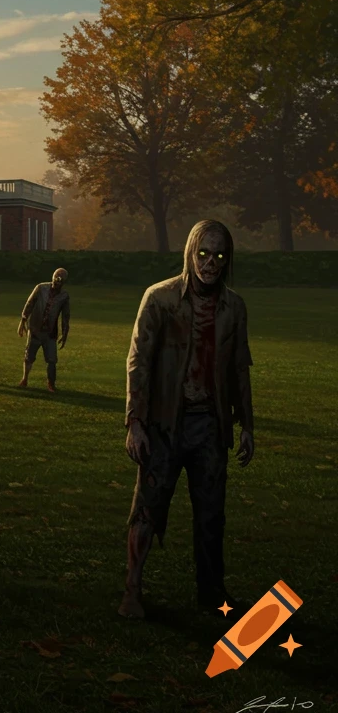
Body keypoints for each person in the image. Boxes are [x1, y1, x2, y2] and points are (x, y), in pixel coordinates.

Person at [119, 220, 255, 619]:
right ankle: (132, 590)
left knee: (212, 515)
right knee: (146, 509)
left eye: (218, 255)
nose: (210, 262)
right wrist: (135, 422)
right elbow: (138, 362)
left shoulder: (235, 307)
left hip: (211, 427)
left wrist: (246, 424)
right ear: (190, 251)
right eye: (203, 253)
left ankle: (213, 595)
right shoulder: (159, 299)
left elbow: (240, 370)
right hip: (163, 424)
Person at [18, 267, 70, 391]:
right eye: (56, 278)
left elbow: (65, 316)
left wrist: (64, 333)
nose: (57, 282)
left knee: (52, 360)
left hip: (50, 333)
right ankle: (25, 378)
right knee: (29, 356)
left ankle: (51, 384)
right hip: (35, 329)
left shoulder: (64, 296)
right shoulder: (41, 288)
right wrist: (23, 320)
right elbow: (29, 303)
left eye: (60, 280)